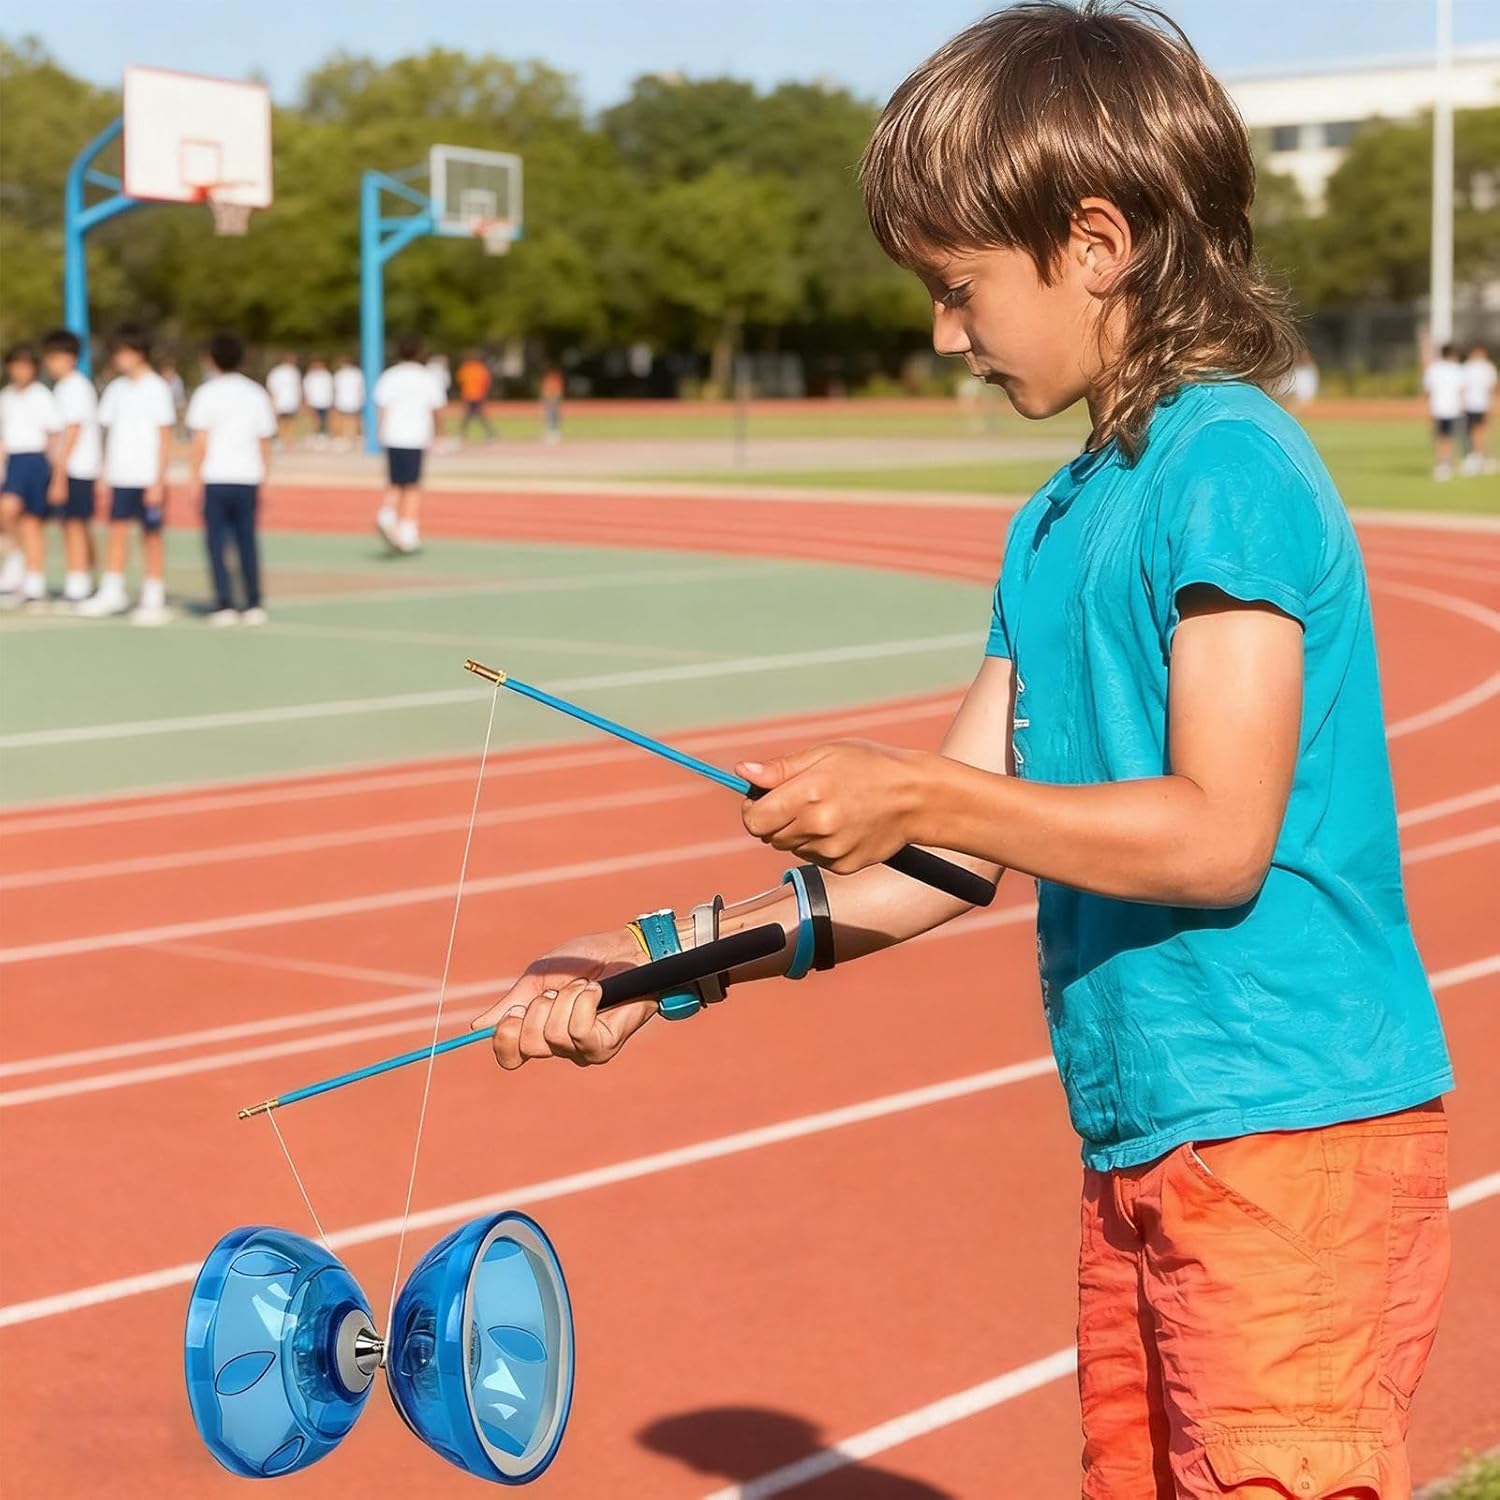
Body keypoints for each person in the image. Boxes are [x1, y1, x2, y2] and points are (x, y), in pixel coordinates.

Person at [471, 7, 1455, 1498]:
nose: (945, 333)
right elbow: (939, 863)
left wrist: (921, 786)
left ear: (1098, 242)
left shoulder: (1231, 462)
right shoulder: (1052, 522)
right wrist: (656, 957)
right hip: (1144, 1140)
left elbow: (1217, 836)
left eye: (959, 287)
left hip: (1290, 1140)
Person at [79, 324, 175, 624]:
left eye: (123, 352)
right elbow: (107, 431)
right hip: (121, 475)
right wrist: (105, 470)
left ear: (139, 353)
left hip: (148, 476)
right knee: (117, 531)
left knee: (151, 535)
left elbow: (165, 436)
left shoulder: (157, 388)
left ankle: (153, 596)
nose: (119, 358)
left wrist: (158, 479)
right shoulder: (116, 389)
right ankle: (112, 591)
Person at [187, 332, 276, 625]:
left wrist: (194, 479)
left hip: (215, 477)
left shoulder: (206, 393)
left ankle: (223, 602)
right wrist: (266, 478)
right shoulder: (256, 393)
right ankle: (253, 602)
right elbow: (264, 441)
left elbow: (200, 441)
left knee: (217, 542)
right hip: (248, 477)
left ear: (211, 360)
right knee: (246, 540)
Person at [41, 329, 100, 603]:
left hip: (77, 466)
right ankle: (84, 577)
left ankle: (79, 583)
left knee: (75, 524)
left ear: (72, 357)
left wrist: (59, 472)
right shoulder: (64, 387)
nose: (51, 363)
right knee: (73, 524)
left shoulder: (75, 387)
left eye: (56, 357)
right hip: (71, 466)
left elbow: (73, 431)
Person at [0, 344, 61, 604]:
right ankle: (17, 560)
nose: (20, 371)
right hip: (13, 460)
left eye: (25, 365)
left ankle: (34, 582)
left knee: (31, 522)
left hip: (35, 460)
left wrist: (54, 472)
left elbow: (53, 434)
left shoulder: (41, 396)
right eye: (15, 365)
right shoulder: (6, 396)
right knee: (7, 511)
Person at [373, 335, 445, 554]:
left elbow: (381, 407)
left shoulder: (390, 376)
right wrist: (438, 434)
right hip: (416, 436)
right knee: (412, 485)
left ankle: (387, 514)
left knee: (395, 482)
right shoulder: (427, 377)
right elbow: (437, 409)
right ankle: (408, 530)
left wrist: (380, 432)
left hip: (393, 435)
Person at [1422, 343, 1464, 481]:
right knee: (1449, 437)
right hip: (1452, 409)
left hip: (1437, 409)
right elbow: (1462, 390)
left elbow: (1427, 390)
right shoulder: (1456, 369)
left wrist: (1427, 408)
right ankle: (1446, 463)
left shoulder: (1433, 369)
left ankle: (1441, 464)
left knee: (1440, 437)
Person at [1460, 341, 1496, 475]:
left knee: (1482, 429)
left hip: (1482, 404)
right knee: (1472, 430)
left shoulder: (1487, 367)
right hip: (1470, 404)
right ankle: (1476, 455)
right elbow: (1461, 386)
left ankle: (1481, 455)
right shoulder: (1467, 367)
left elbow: (1492, 386)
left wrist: (1491, 402)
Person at [265, 352, 302, 447]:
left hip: (291, 400)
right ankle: (282, 438)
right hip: (280, 400)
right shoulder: (277, 371)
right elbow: (271, 386)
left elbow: (297, 386)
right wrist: (273, 399)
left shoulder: (294, 371)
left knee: (290, 420)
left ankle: (288, 439)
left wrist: (299, 399)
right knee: (281, 421)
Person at [455, 351, 493, 441]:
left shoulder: (466, 368)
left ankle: (462, 434)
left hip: (470, 395)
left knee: (472, 415)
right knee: (475, 415)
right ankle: (489, 434)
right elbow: (487, 383)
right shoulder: (480, 368)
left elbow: (460, 381)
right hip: (476, 396)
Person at [332, 356, 365, 449]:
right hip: (353, 400)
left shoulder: (339, 373)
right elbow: (361, 388)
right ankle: (351, 439)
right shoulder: (357, 373)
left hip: (343, 400)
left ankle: (346, 438)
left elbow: (335, 389)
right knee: (353, 420)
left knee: (344, 420)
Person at [303, 356, 334, 448]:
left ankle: (323, 435)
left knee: (324, 419)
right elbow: (306, 389)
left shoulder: (327, 375)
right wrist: (306, 401)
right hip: (313, 402)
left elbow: (331, 388)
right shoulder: (310, 376)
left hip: (325, 401)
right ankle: (313, 435)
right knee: (314, 420)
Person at [540, 365, 564, 445]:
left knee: (554, 415)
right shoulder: (548, 379)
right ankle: (549, 432)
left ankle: (554, 433)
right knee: (549, 415)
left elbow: (558, 389)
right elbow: (545, 389)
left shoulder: (555, 378)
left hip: (554, 398)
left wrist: (555, 397)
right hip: (549, 398)